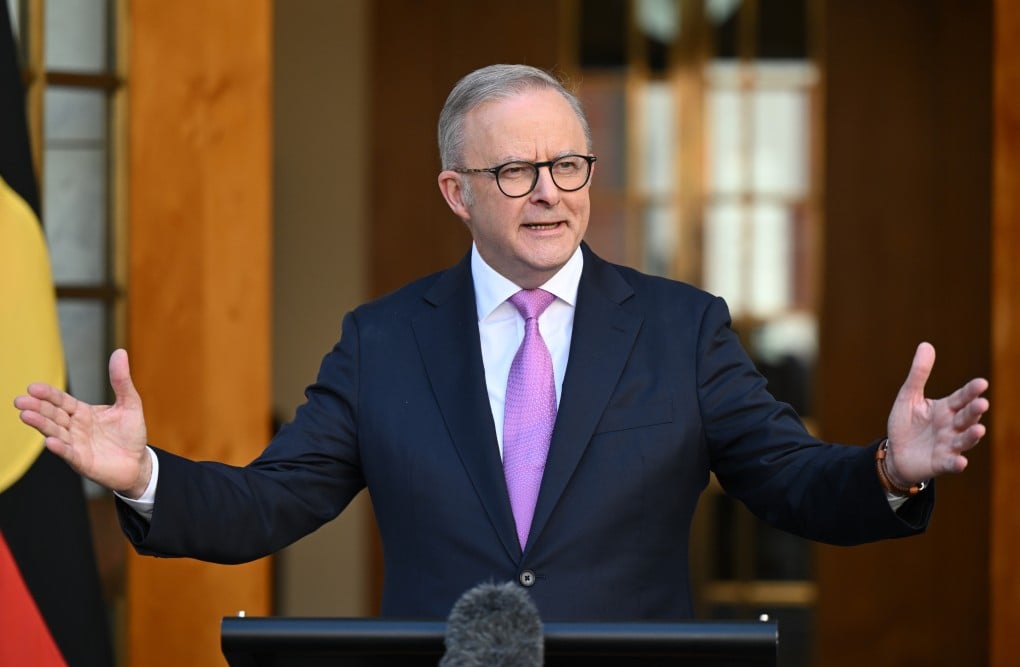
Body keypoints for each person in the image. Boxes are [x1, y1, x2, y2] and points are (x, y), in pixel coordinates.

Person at [14, 64, 989, 621]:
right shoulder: (384, 340)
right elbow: (272, 502)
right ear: (457, 191)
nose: (549, 191)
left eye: (569, 164)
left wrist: (889, 469)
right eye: (515, 170)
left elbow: (788, 480)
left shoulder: (682, 328)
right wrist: (142, 474)